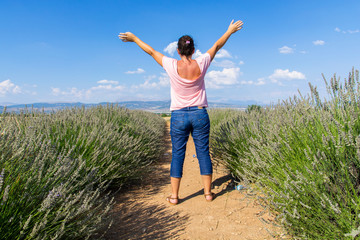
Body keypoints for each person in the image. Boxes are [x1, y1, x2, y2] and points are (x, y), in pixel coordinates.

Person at [119, 19, 243, 205]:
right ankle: (208, 193)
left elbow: (151, 51)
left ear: (178, 51)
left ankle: (175, 196)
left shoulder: (170, 64)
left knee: (178, 154)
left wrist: (134, 38)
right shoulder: (202, 62)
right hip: (200, 114)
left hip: (178, 116)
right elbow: (217, 45)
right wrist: (230, 31)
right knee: (203, 152)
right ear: (193, 50)